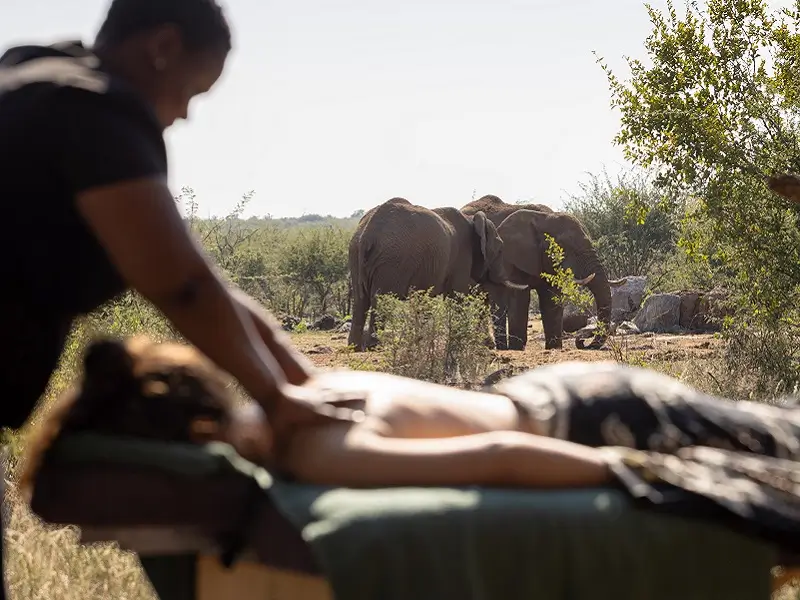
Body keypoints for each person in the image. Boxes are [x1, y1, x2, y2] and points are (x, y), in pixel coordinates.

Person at [0, 0, 359, 595]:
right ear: (163, 48)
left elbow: (198, 278)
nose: (186, 115)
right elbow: (182, 287)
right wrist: (275, 398)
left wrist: (300, 377)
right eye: (193, 92)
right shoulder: (95, 111)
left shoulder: (32, 75)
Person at [23, 335, 800, 560]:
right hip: (561, 391)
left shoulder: (311, 448)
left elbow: (497, 458)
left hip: (591, 420)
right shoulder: (284, 392)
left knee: (781, 453)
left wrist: (640, 473)